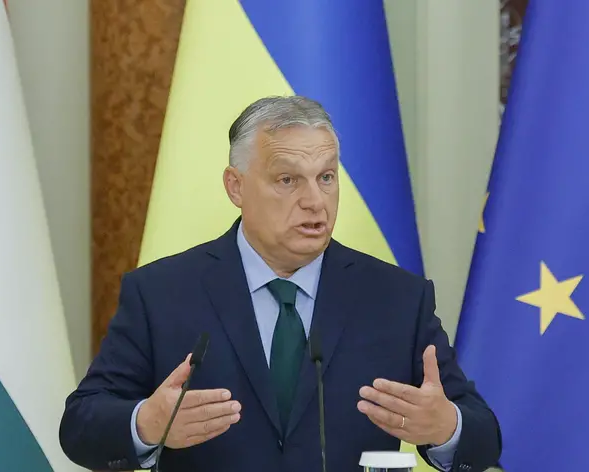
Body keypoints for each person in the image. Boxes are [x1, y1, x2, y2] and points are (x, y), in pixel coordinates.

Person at [59, 95, 502, 471]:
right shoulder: (162, 293)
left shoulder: (396, 299)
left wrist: (445, 427)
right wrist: (145, 425)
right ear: (236, 187)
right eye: (288, 180)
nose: (314, 201)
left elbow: (484, 435)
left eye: (326, 178)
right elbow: (80, 425)